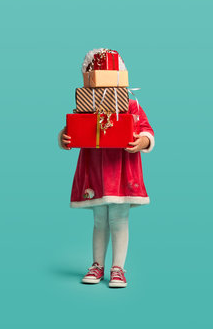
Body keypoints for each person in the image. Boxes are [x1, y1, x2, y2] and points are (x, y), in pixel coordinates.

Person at [59, 99, 154, 288]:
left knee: (119, 219)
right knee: (99, 220)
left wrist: (142, 141)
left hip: (121, 170)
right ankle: (97, 265)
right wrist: (64, 136)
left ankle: (118, 268)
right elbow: (73, 128)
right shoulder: (87, 105)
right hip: (96, 171)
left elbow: (147, 130)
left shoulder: (131, 105)